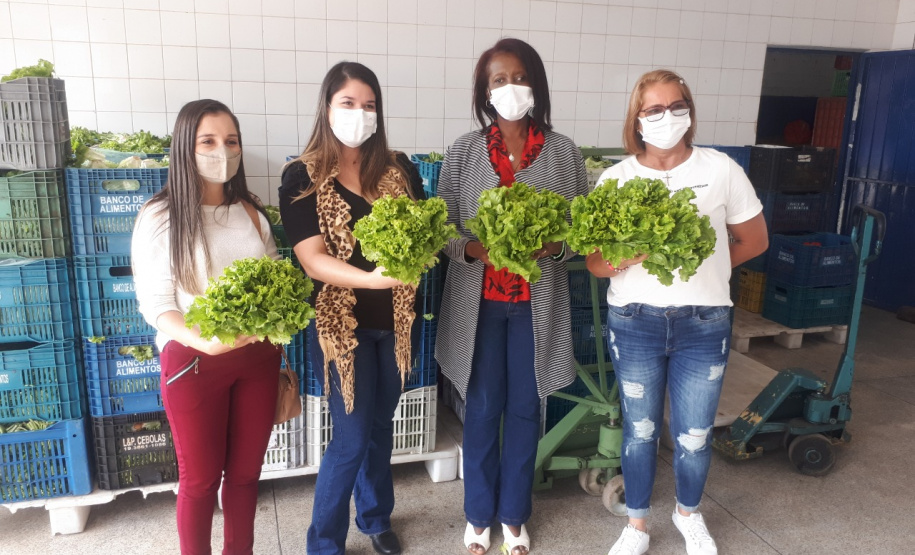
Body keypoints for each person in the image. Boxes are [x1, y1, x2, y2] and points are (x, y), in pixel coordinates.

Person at [586, 69, 768, 555]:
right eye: (653, 109)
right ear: (636, 119)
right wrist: (641, 254)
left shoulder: (721, 169)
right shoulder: (616, 178)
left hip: (705, 323)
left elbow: (755, 240)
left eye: (676, 106)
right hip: (636, 321)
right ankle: (637, 523)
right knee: (640, 430)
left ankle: (688, 514)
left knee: (693, 434)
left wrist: (704, 264)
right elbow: (597, 263)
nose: (667, 117)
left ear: (689, 111)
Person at [435, 38, 589, 555]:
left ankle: (514, 517)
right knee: (480, 408)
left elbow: (580, 227)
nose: (509, 88)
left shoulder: (564, 152)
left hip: (535, 304)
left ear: (536, 86)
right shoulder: (462, 151)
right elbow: (442, 224)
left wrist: (555, 245)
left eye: (518, 77)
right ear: (484, 90)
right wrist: (472, 248)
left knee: (526, 409)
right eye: (498, 80)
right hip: (477, 305)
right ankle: (478, 516)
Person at [278, 61, 425, 555]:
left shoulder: (399, 170)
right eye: (348, 103)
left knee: (380, 427)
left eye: (369, 105)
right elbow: (312, 259)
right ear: (327, 107)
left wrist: (413, 261)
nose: (360, 114)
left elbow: (422, 236)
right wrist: (370, 278)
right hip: (344, 326)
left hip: (396, 324)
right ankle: (323, 542)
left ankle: (376, 516)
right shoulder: (302, 175)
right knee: (351, 435)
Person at [132, 99, 283, 555]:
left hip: (257, 358)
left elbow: (275, 283)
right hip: (193, 362)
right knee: (199, 481)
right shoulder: (161, 217)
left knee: (244, 475)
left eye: (231, 141)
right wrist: (207, 342)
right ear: (185, 148)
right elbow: (158, 306)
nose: (223, 151)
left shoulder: (252, 213)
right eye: (208, 141)